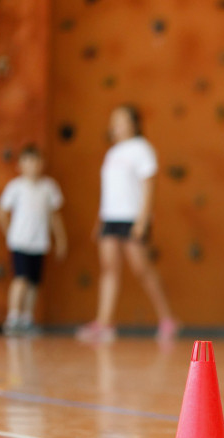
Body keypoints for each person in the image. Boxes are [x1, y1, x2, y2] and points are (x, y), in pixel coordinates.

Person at [77, 104, 178, 343]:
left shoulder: (142, 149)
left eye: (121, 120)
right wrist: (100, 219)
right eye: (114, 120)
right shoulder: (112, 153)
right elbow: (110, 191)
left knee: (141, 269)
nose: (116, 125)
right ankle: (104, 323)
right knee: (108, 268)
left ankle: (167, 319)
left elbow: (149, 185)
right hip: (110, 218)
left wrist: (143, 219)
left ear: (134, 123)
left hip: (132, 218)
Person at [0, 145, 67, 336]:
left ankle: (27, 318)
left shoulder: (49, 187)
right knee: (20, 279)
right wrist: (9, 233)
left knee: (34, 282)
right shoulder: (15, 187)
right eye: (28, 161)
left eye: (36, 161)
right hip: (20, 242)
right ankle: (13, 317)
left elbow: (54, 216)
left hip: (39, 243)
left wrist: (60, 239)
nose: (32, 165)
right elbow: (1, 212)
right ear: (20, 165)